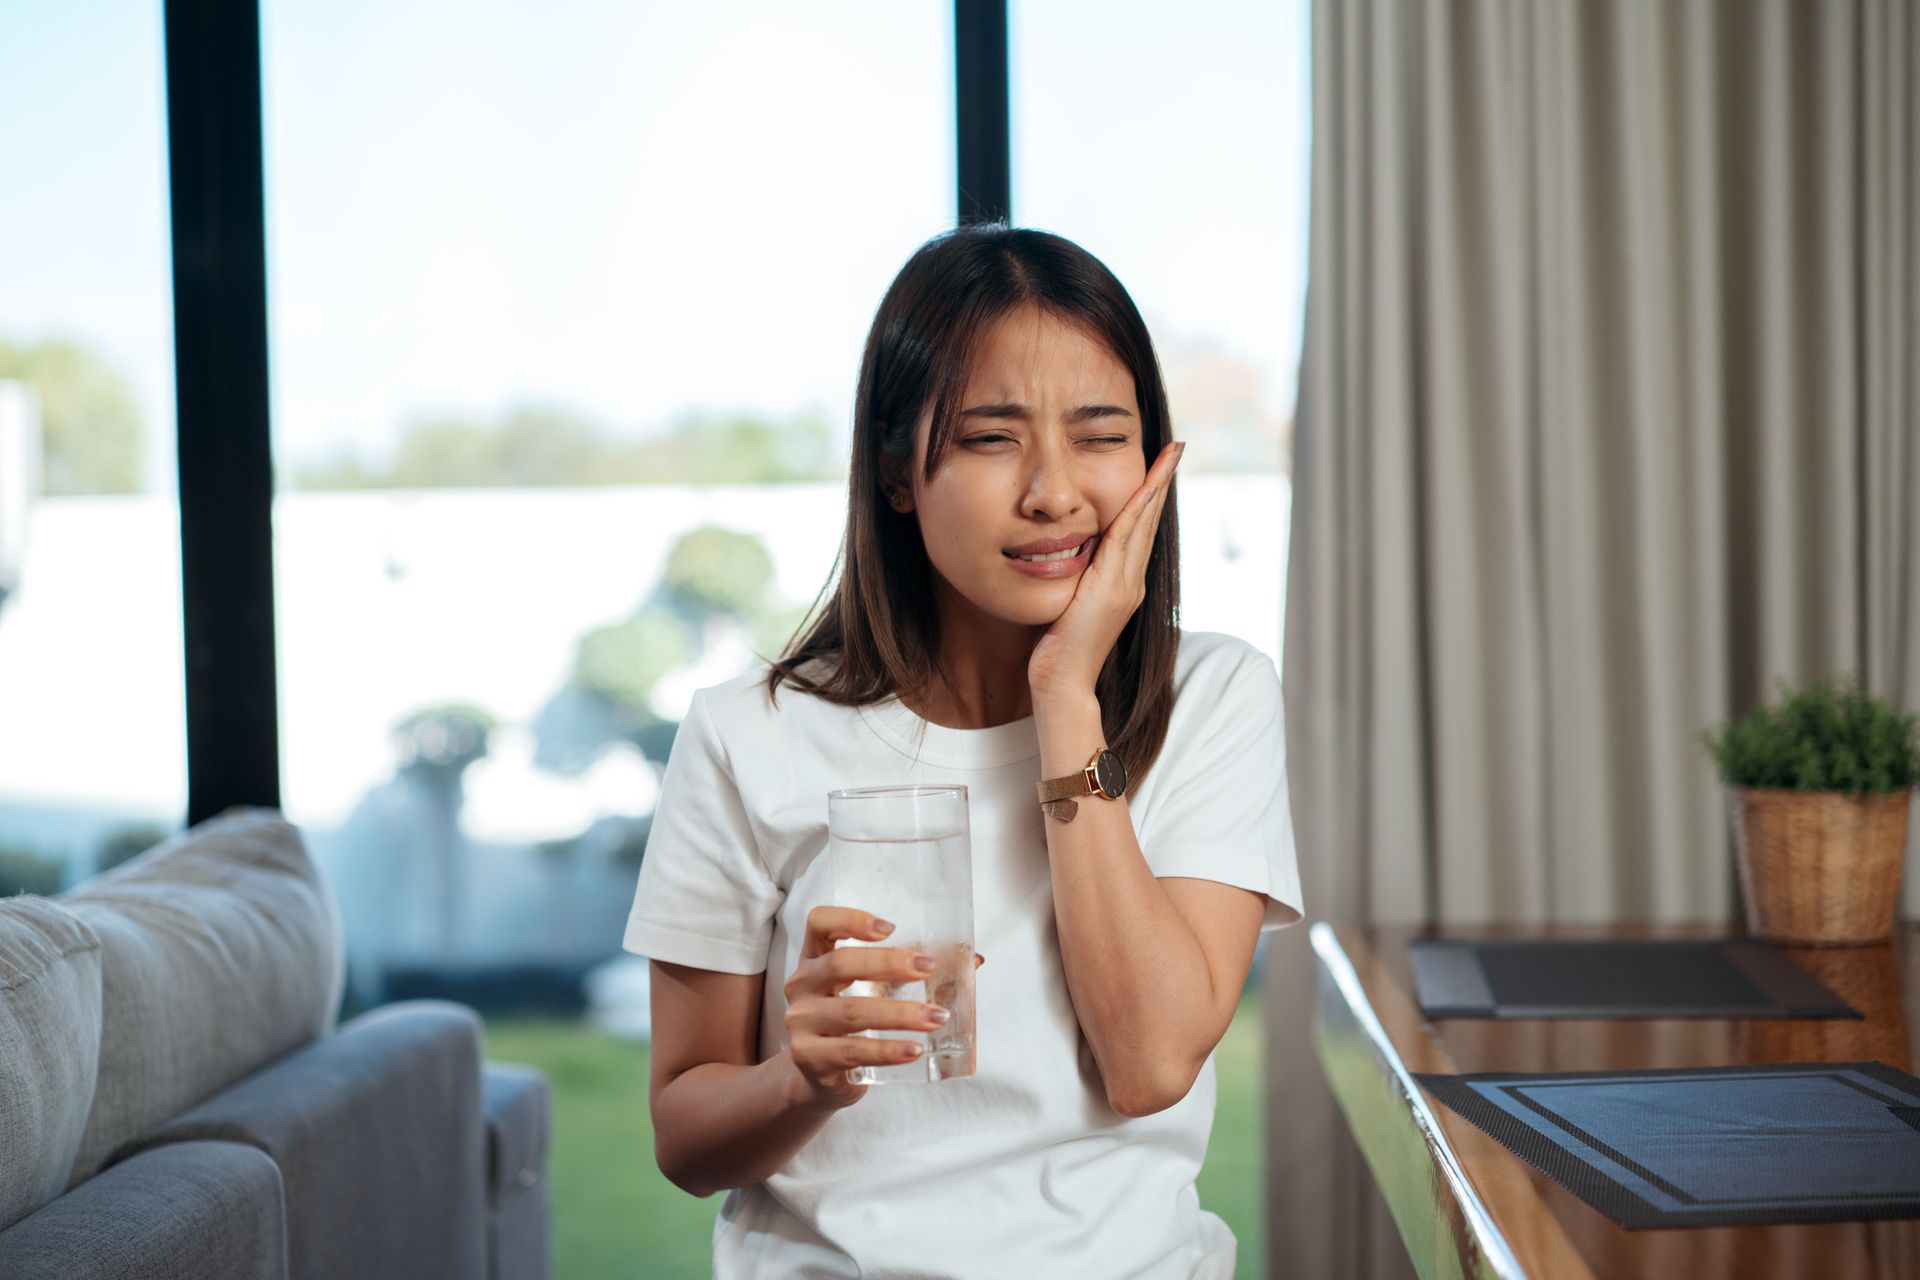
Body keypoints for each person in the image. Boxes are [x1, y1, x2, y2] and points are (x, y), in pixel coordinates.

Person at [623, 222, 1303, 1279]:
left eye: (1099, 433)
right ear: (897, 467)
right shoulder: (747, 731)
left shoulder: (1213, 694)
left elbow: (1151, 1059)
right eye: (992, 437)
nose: (1054, 491)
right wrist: (801, 1080)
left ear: (1154, 457)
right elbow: (684, 1133)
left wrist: (1065, 691)